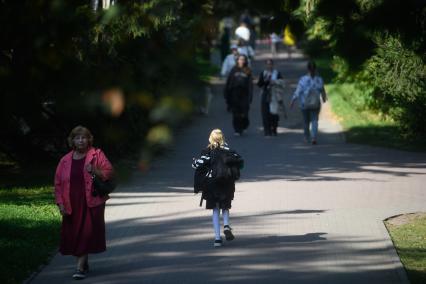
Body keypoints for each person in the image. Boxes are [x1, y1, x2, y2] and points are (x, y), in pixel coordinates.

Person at [54, 126, 113, 280]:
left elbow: (109, 172)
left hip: (91, 201)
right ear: (72, 140)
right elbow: (58, 184)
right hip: (71, 202)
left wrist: (94, 170)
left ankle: (79, 268)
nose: (80, 140)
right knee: (74, 234)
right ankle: (84, 262)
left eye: (84, 137)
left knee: (86, 234)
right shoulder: (65, 160)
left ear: (89, 140)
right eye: (77, 138)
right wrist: (60, 203)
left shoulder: (96, 154)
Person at [192, 129, 243, 247]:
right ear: (222, 138)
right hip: (227, 183)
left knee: (215, 209)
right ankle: (226, 224)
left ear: (211, 138)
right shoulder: (228, 150)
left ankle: (217, 239)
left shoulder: (208, 151)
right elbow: (239, 161)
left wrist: (195, 161)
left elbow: (196, 165)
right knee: (225, 206)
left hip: (211, 184)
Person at [290, 61, 327, 144]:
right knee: (314, 120)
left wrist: (293, 99)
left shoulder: (303, 79)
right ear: (315, 69)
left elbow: (298, 90)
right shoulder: (319, 79)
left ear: (308, 69)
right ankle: (314, 137)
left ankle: (306, 138)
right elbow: (322, 90)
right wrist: (324, 99)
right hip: (315, 103)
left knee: (306, 121)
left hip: (304, 104)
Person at [224, 55, 253, 136]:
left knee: (244, 113)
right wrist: (227, 94)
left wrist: (250, 96)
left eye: (243, 60)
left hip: (244, 94)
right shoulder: (233, 70)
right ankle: (237, 130)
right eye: (240, 60)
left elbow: (250, 85)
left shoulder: (247, 70)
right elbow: (229, 82)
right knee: (236, 113)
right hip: (235, 94)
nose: (241, 61)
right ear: (237, 61)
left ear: (245, 61)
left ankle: (244, 125)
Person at [257, 59, 283, 136]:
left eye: (270, 64)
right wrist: (265, 81)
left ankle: (274, 128)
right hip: (265, 94)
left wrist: (274, 82)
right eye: (267, 64)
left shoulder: (277, 73)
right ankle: (267, 130)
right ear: (266, 65)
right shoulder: (263, 73)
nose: (269, 66)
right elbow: (259, 84)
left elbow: (282, 83)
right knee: (265, 113)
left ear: (272, 65)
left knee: (274, 113)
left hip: (274, 94)